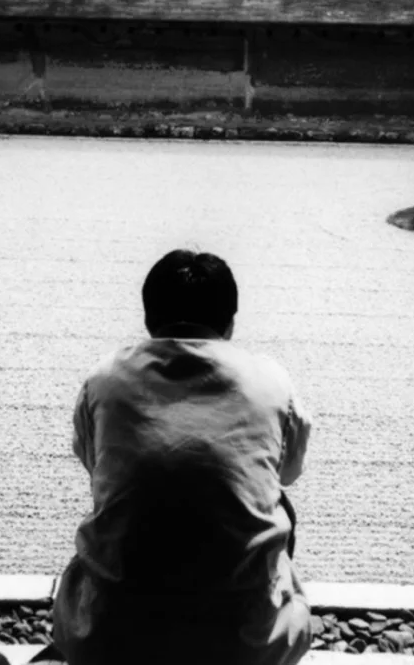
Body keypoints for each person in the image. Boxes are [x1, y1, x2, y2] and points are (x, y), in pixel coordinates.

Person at [31, 249, 314, 665]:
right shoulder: (270, 382)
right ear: (230, 323)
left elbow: (95, 466)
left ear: (149, 320)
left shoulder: (105, 380)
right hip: (245, 651)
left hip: (106, 644)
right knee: (277, 503)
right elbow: (288, 473)